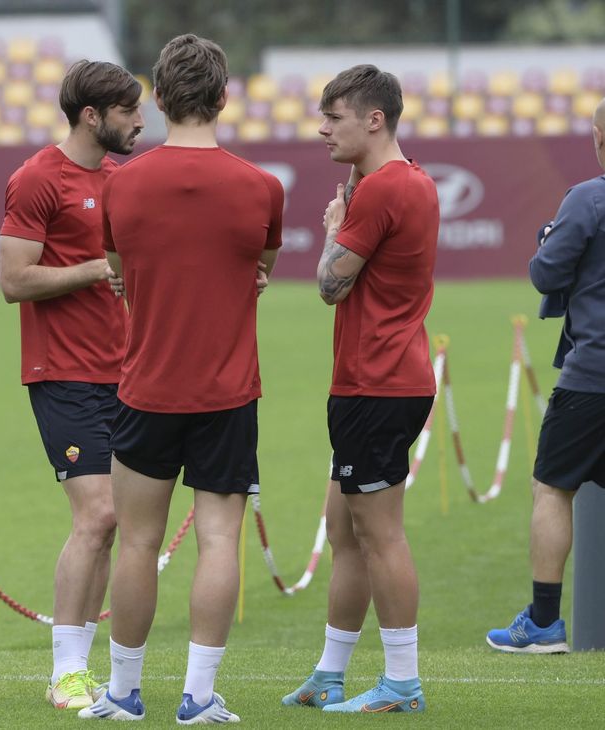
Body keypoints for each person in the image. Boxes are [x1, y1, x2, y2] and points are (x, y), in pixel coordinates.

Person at [79, 34, 282, 724]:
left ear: (158, 97)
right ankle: (198, 696)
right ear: (224, 98)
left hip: (146, 386)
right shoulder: (262, 187)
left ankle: (124, 693)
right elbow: (263, 265)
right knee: (219, 539)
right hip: (228, 390)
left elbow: (113, 270)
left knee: (136, 541)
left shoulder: (122, 182)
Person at [281, 64, 438, 714]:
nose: (322, 129)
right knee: (343, 532)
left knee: (381, 536)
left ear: (374, 119)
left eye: (334, 116)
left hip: (378, 383)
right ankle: (330, 673)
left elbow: (329, 286)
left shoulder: (381, 192)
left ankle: (402, 683)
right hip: (376, 380)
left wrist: (331, 225)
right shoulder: (409, 180)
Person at [0, 60, 144, 710]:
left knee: (111, 525)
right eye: (128, 111)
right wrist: (89, 270)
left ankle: (82, 668)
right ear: (93, 115)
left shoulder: (121, 179)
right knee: (100, 515)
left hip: (127, 372)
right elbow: (13, 280)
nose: (140, 122)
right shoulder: (37, 179)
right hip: (63, 372)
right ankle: (64, 672)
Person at [486, 97, 605, 654]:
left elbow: (545, 272)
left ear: (599, 138)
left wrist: (547, 241)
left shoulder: (588, 197)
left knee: (553, 486)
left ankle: (543, 621)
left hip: (593, 376)